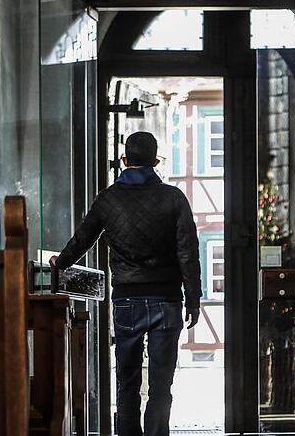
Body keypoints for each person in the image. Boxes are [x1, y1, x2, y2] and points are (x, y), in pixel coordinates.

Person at [50, 131, 201, 436]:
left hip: (127, 301)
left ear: (124, 161)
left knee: (127, 381)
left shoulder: (108, 200)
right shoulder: (174, 198)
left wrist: (60, 263)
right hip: (167, 300)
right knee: (161, 382)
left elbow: (83, 239)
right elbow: (188, 252)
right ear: (156, 161)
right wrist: (193, 299)